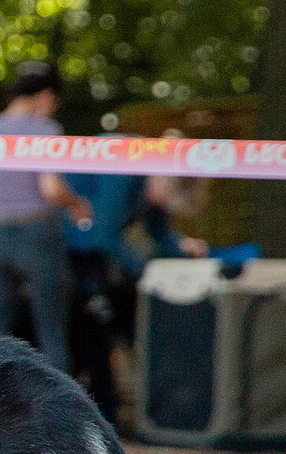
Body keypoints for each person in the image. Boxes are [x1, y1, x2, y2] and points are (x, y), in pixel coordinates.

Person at [0, 61, 93, 370]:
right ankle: (57, 412)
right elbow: (50, 188)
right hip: (38, 233)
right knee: (51, 335)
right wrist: (77, 204)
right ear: (46, 96)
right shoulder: (45, 130)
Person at [63, 171, 208, 421]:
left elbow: (158, 229)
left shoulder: (154, 183)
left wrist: (182, 245)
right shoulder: (123, 173)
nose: (161, 205)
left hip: (96, 253)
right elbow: (105, 234)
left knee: (113, 326)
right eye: (166, 199)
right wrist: (145, 272)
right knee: (96, 330)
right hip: (76, 249)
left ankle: (115, 408)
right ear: (163, 182)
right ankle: (103, 409)